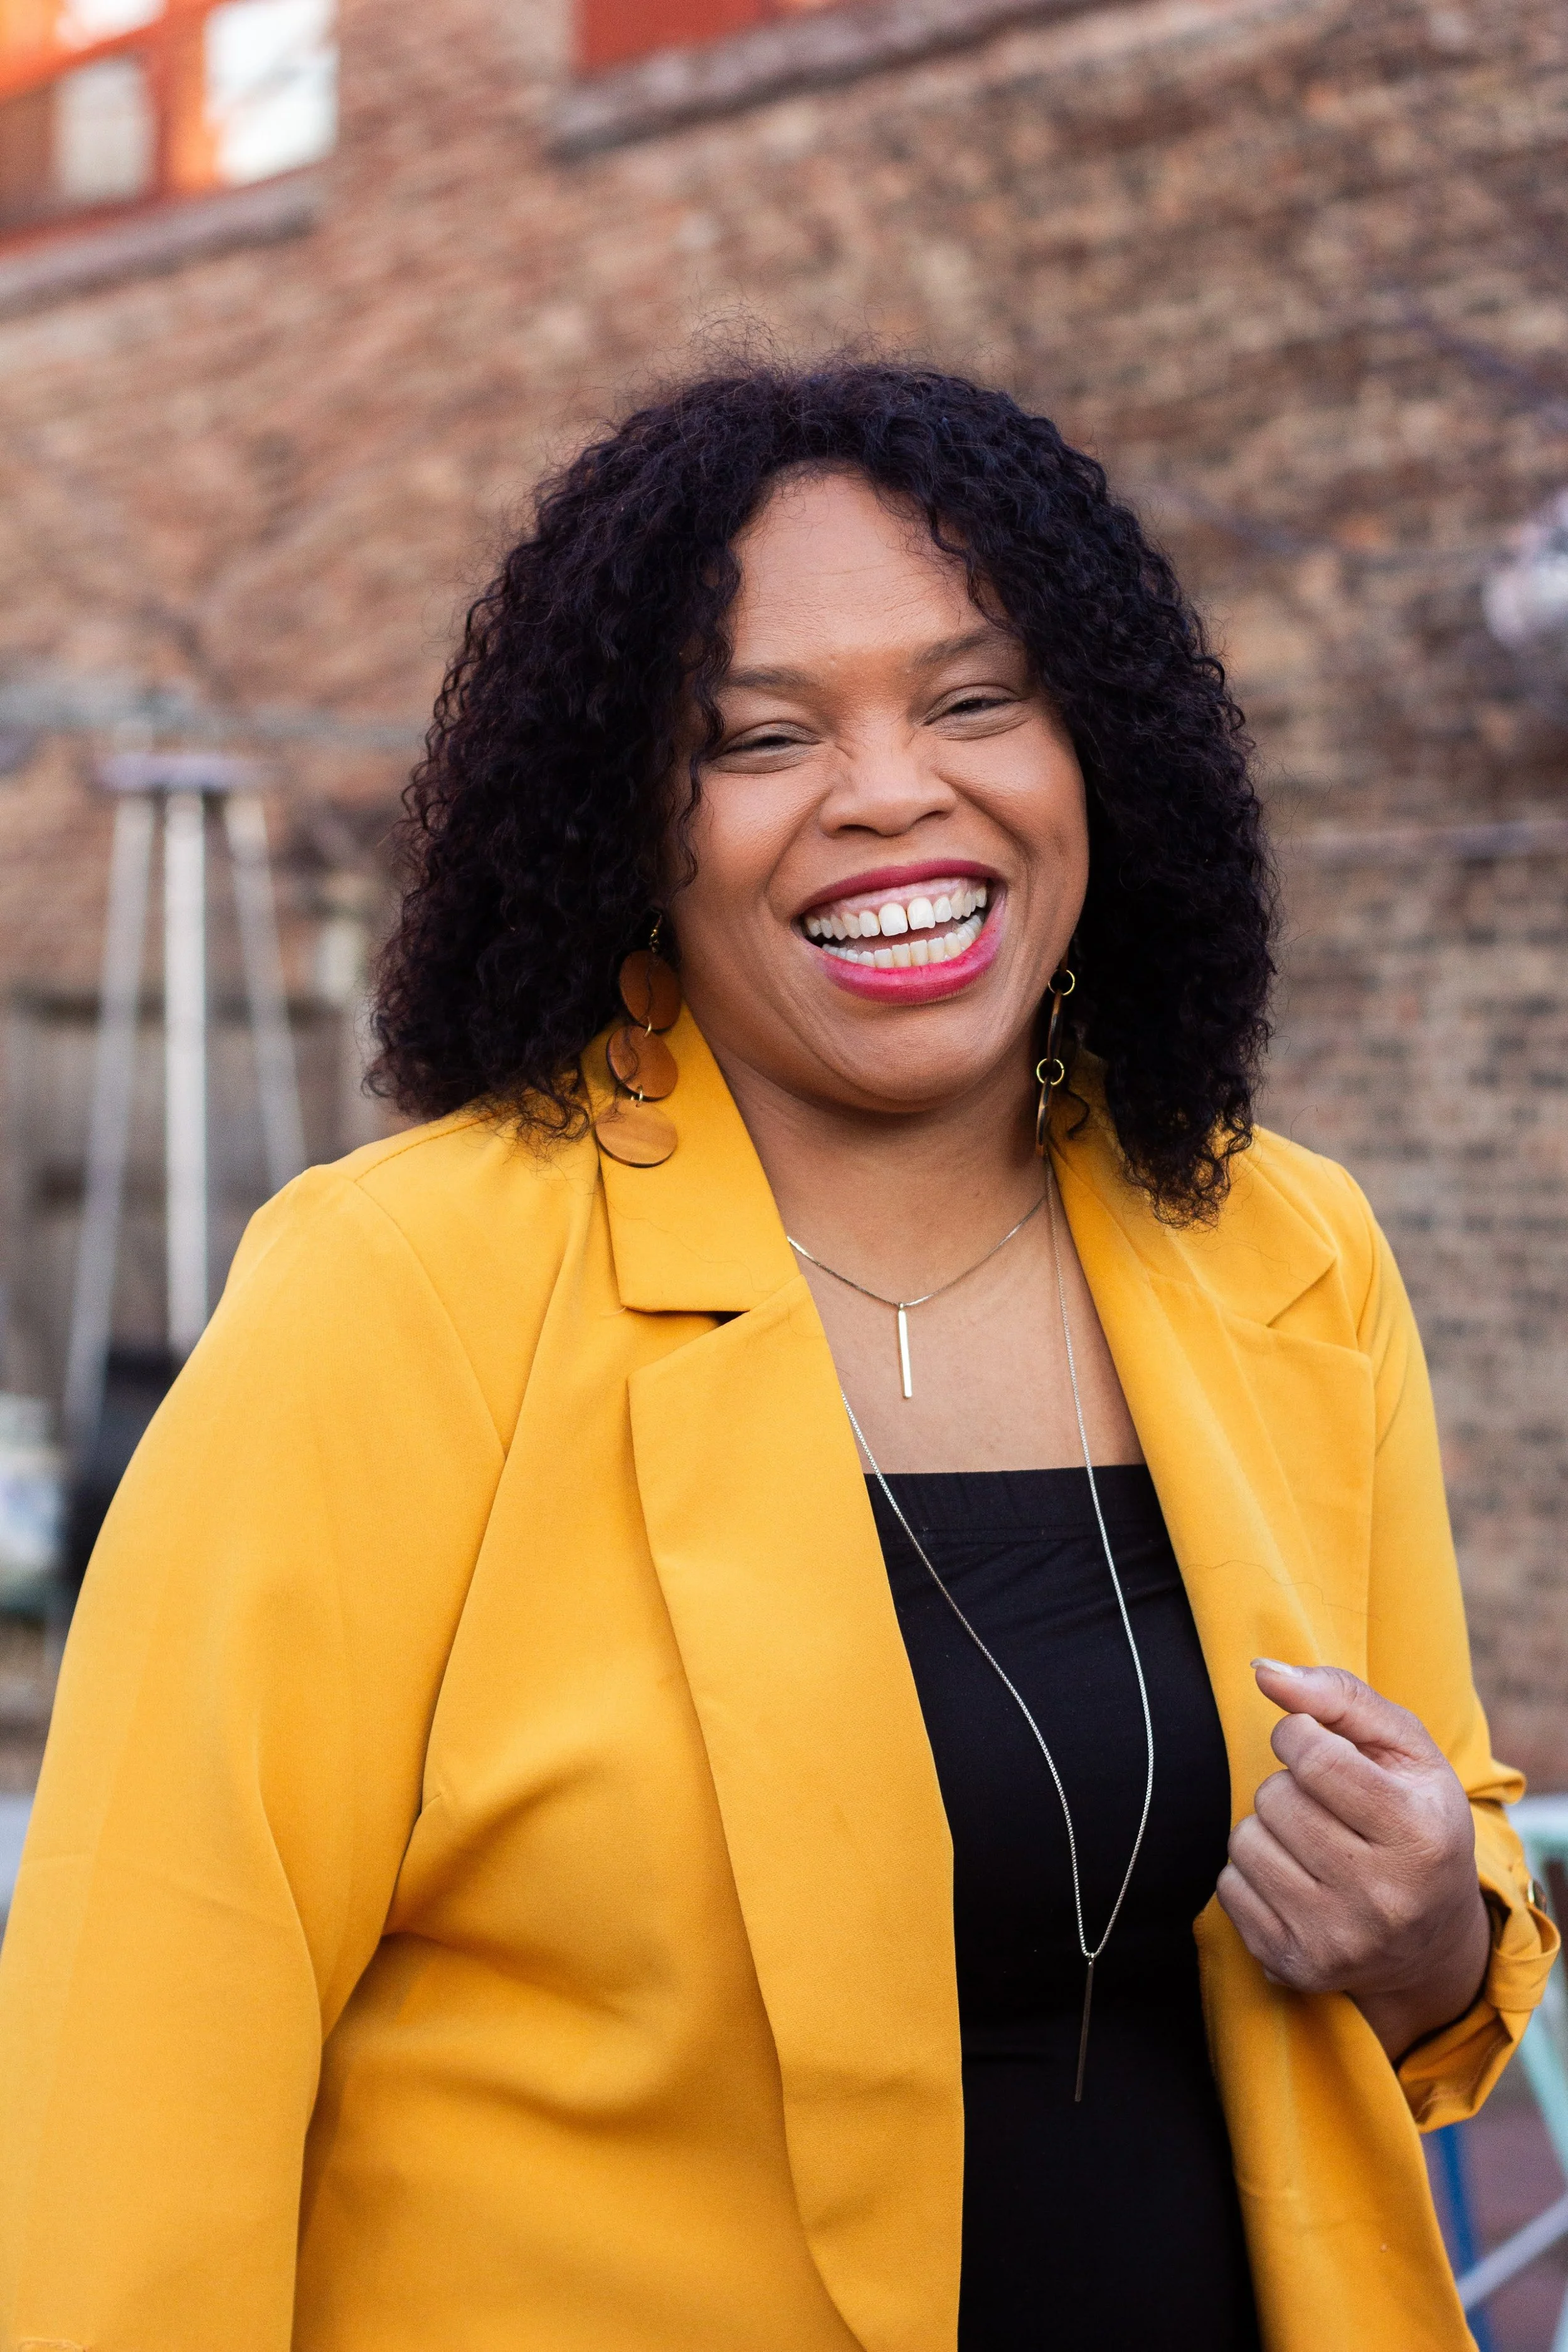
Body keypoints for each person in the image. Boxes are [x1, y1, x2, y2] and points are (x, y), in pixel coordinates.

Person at [0, 362, 1555, 2352]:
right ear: (627, 821)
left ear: (1102, 756)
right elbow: (141, 2070)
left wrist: (1436, 1925)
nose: (891, 788)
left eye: (976, 700)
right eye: (758, 735)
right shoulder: (397, 1292)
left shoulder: (1282, 1250)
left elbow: (1451, 1889)